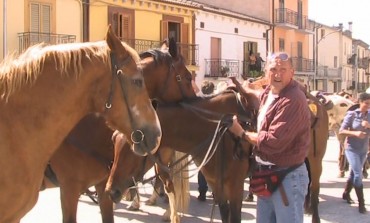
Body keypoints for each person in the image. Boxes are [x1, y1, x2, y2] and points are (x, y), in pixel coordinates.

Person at [228, 52, 310, 223]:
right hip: (266, 175)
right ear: (266, 72)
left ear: (292, 72)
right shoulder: (268, 93)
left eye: (283, 69)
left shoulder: (293, 99)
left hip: (288, 178)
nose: (278, 74)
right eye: (273, 69)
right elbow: (257, 95)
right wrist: (244, 88)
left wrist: (242, 133)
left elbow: (273, 141)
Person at [339, 92, 370, 214]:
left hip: (363, 150)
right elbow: (342, 131)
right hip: (351, 148)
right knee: (358, 174)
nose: (368, 106)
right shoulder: (352, 114)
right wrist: (355, 133)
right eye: (366, 104)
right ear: (360, 102)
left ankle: (346, 193)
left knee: (353, 172)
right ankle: (361, 204)